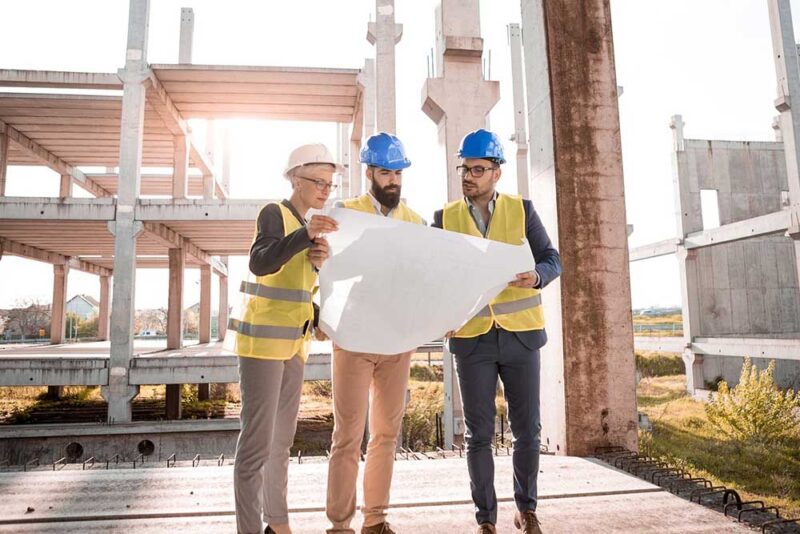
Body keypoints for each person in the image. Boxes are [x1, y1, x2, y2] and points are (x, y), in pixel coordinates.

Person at [432, 129, 561, 534]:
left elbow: (552, 259)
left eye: (477, 169)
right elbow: (432, 275)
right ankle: (486, 519)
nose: (468, 176)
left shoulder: (522, 210)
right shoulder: (444, 217)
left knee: (527, 431)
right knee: (478, 435)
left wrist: (536, 276)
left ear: (496, 172)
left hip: (521, 336)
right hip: (473, 340)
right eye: (464, 169)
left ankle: (527, 508)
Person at [230, 143, 341, 534]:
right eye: (318, 181)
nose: (325, 189)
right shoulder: (274, 213)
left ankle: (277, 524)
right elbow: (260, 262)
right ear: (295, 178)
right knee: (256, 447)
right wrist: (304, 237)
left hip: (294, 346)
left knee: (281, 443)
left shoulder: (307, 227)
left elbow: (296, 293)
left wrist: (315, 268)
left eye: (330, 183)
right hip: (262, 346)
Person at [326, 132, 424, 534]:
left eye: (399, 173)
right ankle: (339, 524)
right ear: (369, 173)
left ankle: (376, 519)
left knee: (385, 434)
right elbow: (327, 269)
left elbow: (425, 278)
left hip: (398, 341)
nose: (394, 181)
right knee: (347, 434)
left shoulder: (415, 221)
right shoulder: (344, 213)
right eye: (386, 172)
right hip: (354, 339)